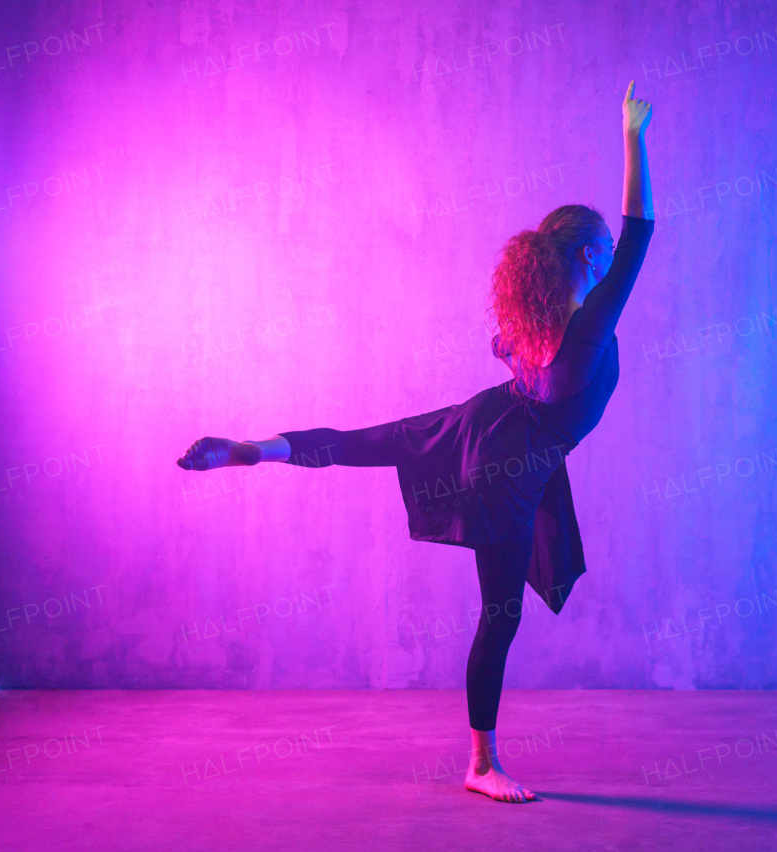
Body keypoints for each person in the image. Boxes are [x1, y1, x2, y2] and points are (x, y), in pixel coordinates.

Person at [176, 82, 655, 804]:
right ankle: (481, 763)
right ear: (590, 258)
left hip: (481, 420)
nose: (612, 259)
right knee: (500, 617)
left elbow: (545, 321)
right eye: (604, 253)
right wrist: (631, 133)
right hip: (512, 465)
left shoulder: (538, 321)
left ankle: (253, 448)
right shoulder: (588, 324)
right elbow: (640, 230)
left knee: (362, 442)